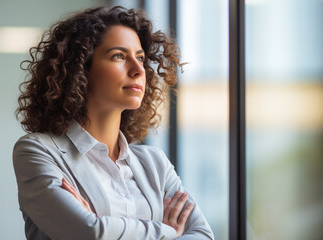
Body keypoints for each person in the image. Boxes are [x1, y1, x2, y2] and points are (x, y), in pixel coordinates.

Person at [13, 6, 214, 240]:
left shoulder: (155, 163)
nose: (139, 69)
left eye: (140, 58)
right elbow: (88, 232)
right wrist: (167, 232)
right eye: (119, 56)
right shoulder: (37, 151)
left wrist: (103, 226)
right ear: (80, 68)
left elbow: (203, 235)